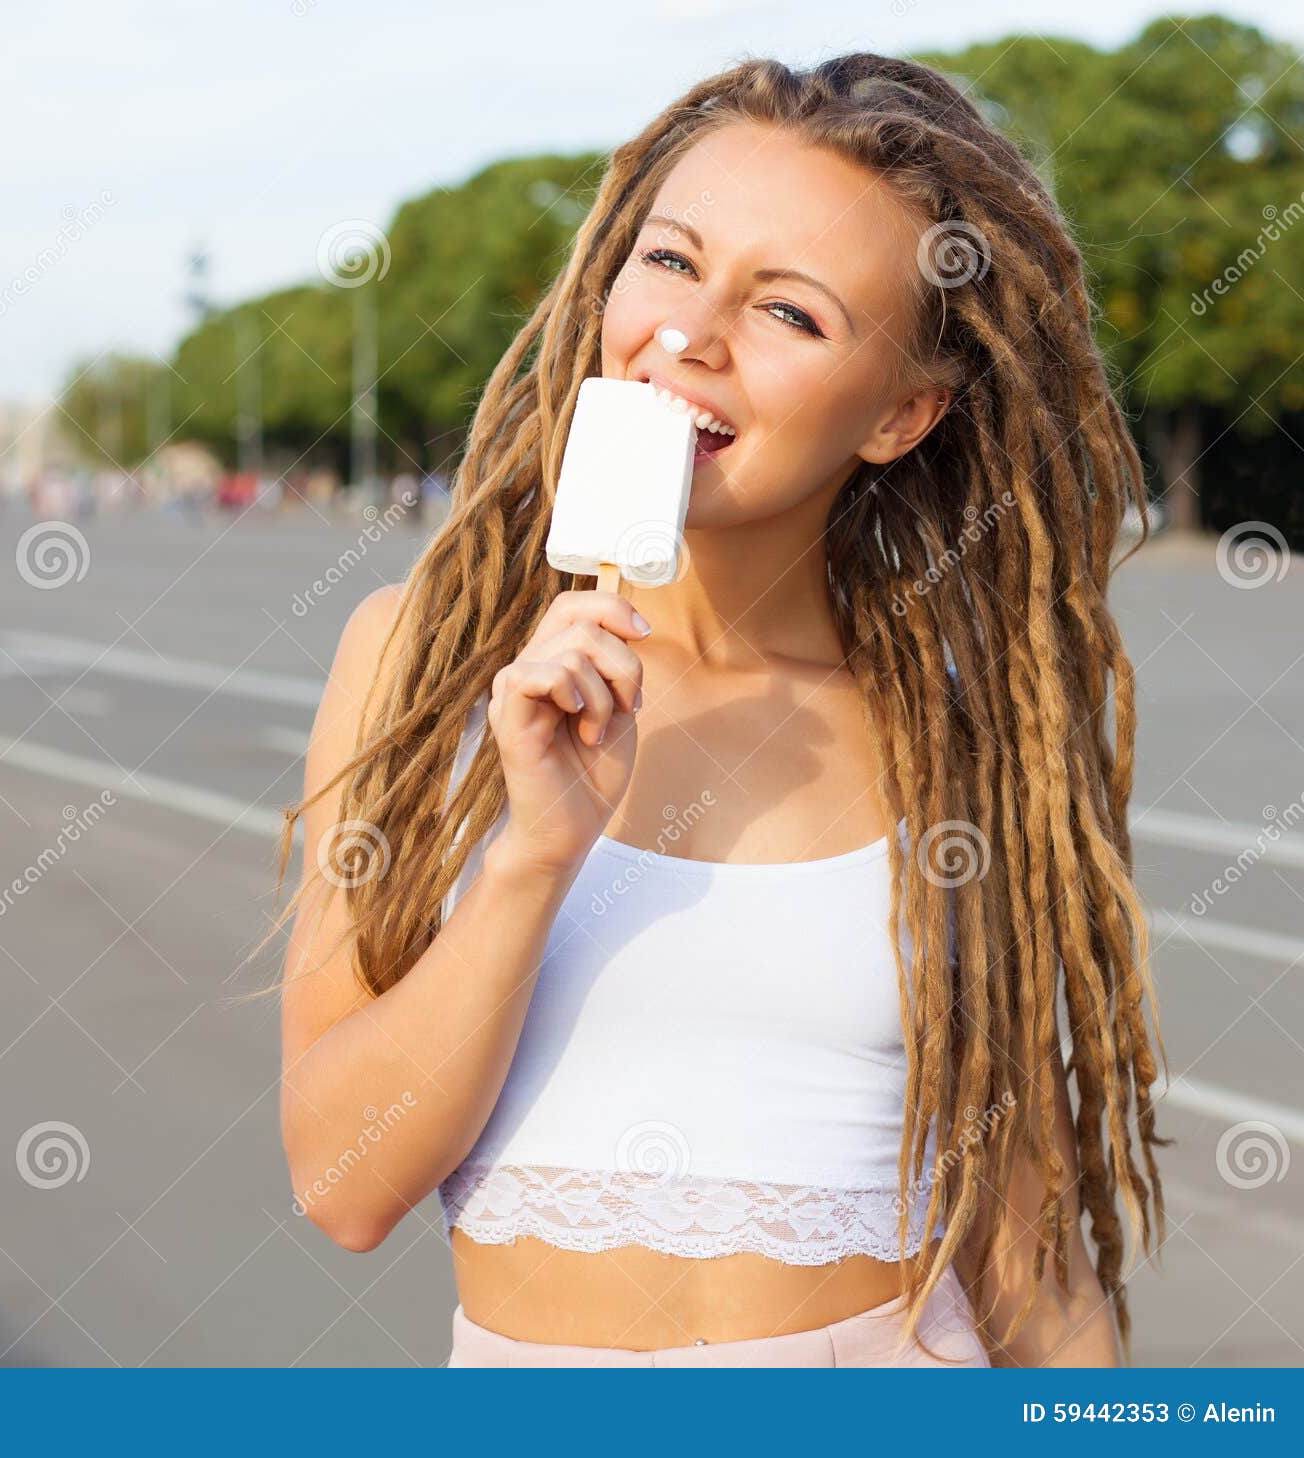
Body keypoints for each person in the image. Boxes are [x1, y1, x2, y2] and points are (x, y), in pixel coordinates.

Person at [258, 53, 1168, 1368]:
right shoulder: (415, 658)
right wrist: (536, 850)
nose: (690, 335)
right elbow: (341, 1185)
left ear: (903, 414)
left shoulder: (953, 732)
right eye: (672, 261)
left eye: (791, 314)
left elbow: (1026, 1258)